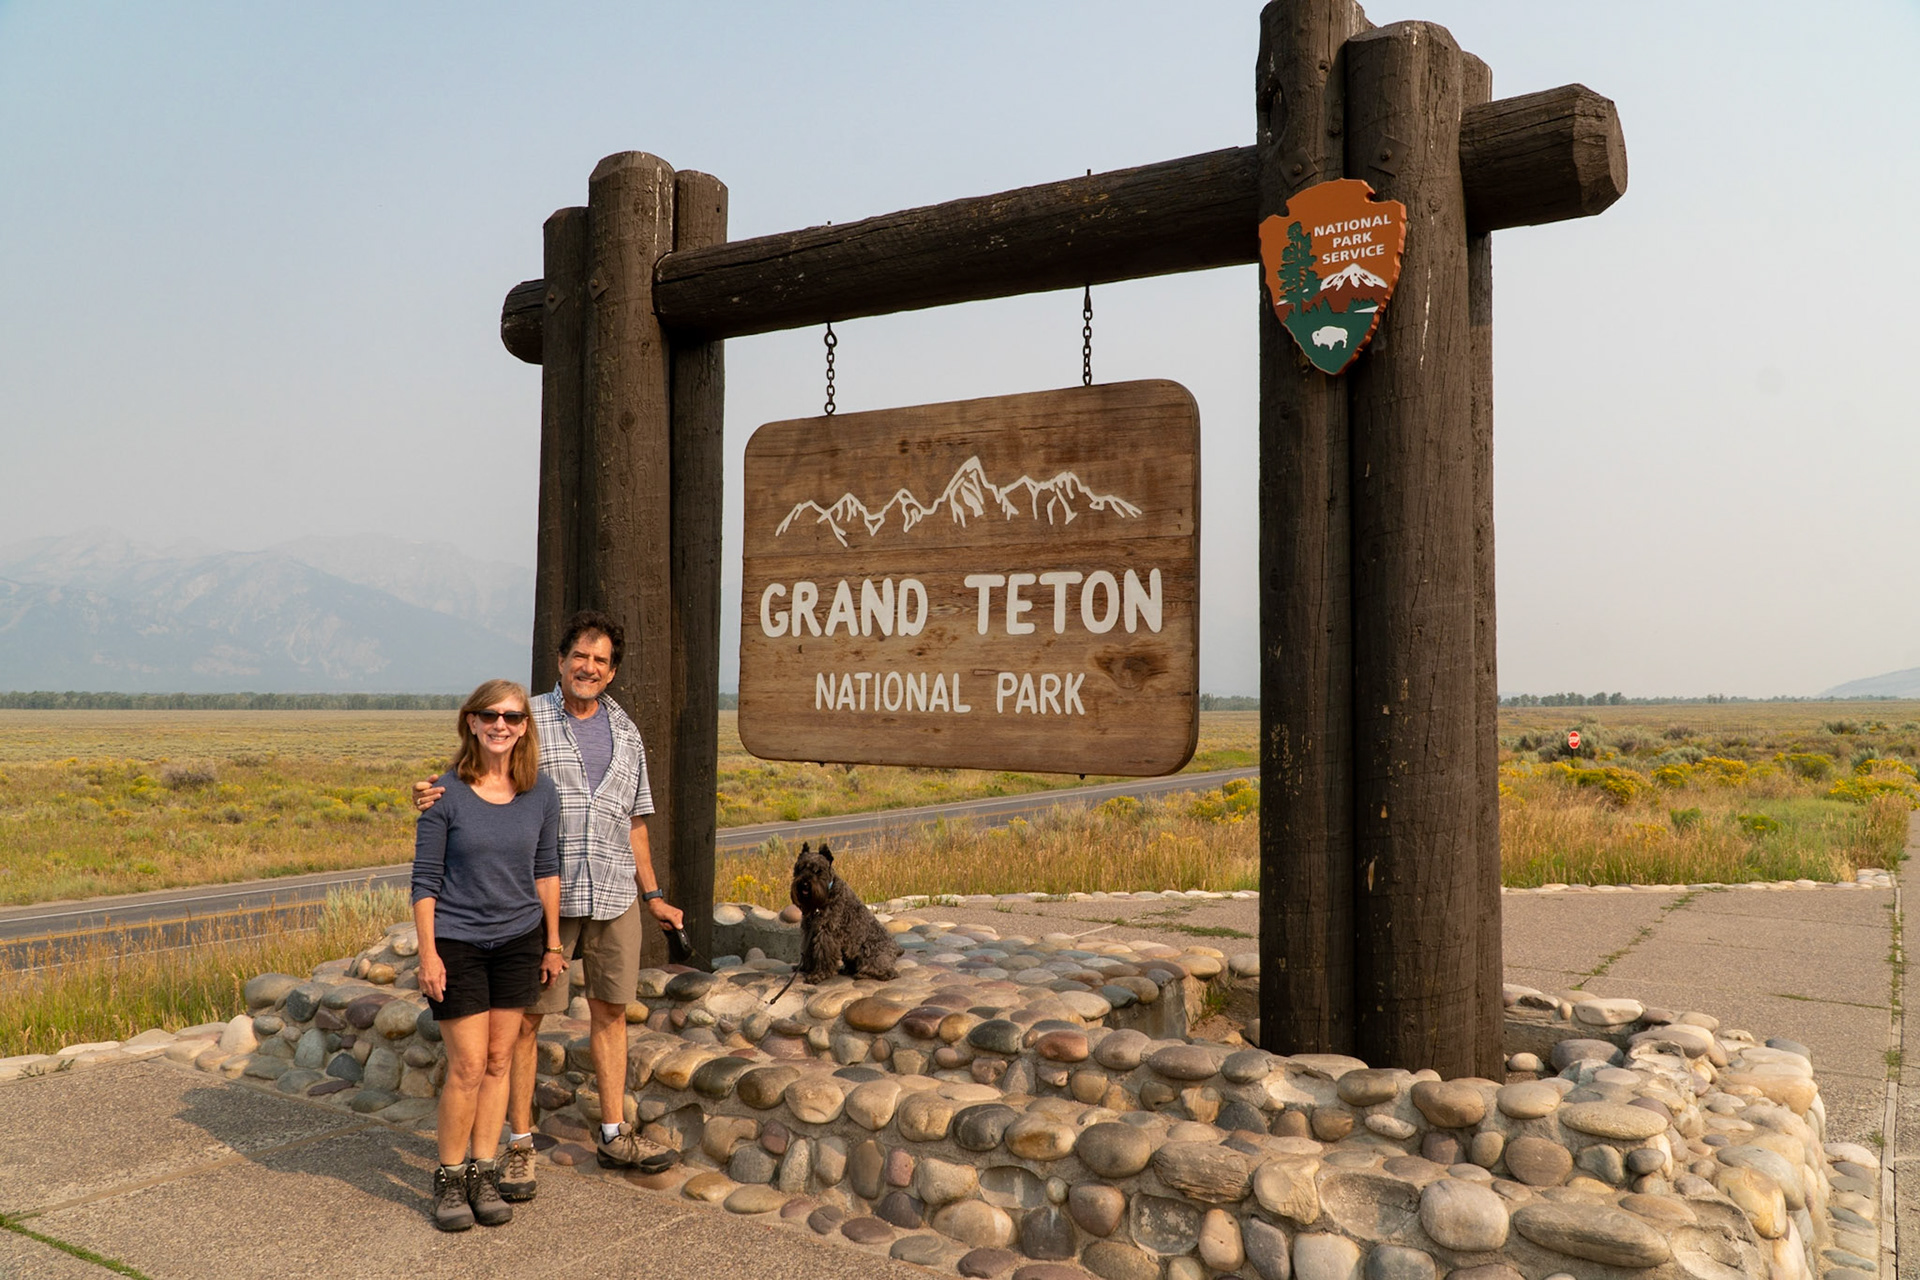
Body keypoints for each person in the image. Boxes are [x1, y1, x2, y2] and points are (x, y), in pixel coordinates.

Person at [414, 610, 684, 1202]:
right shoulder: (526, 717)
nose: (589, 667)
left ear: (612, 672)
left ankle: (614, 1133)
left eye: (601, 660)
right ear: (561, 662)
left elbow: (636, 822)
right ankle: (516, 1145)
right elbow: (478, 770)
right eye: (580, 657)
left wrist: (655, 894)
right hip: (543, 901)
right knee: (525, 1023)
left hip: (613, 893)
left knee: (611, 1013)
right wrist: (429, 791)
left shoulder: (628, 733)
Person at [411, 678, 564, 1233]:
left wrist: (551, 943)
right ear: (471, 722)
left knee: (501, 1061)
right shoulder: (442, 795)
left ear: (525, 727)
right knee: (469, 1066)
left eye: (514, 717)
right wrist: (428, 955)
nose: (502, 724)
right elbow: (425, 881)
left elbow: (546, 871)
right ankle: (450, 1178)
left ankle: (483, 1171)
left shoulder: (540, 794)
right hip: (459, 943)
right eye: (491, 715)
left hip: (520, 941)